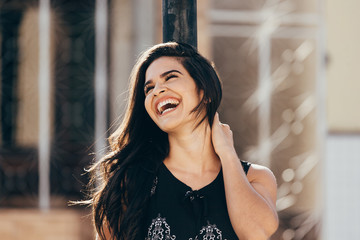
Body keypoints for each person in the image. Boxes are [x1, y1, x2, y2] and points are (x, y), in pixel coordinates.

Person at [87, 42, 278, 240]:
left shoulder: (255, 178)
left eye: (170, 77)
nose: (157, 91)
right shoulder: (129, 182)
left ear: (203, 89)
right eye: (149, 88)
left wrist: (228, 154)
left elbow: (256, 233)